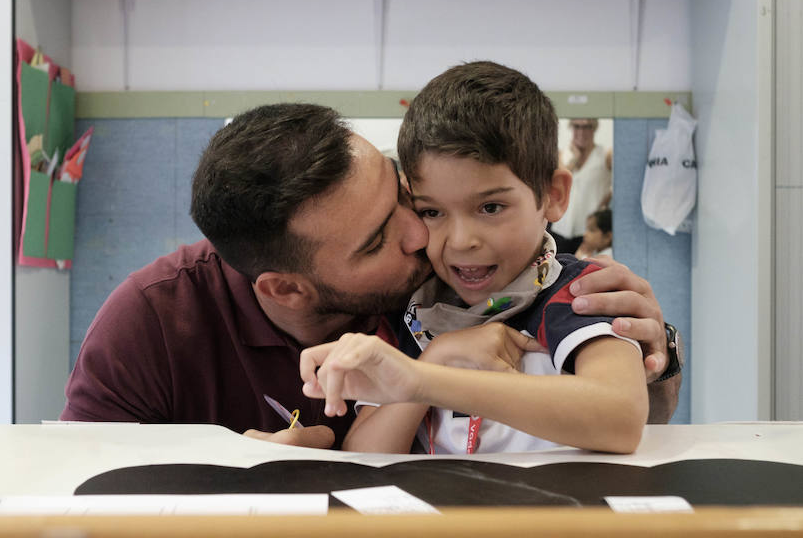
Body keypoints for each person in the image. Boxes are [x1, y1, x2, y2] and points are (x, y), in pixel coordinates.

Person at [61, 102, 680, 449]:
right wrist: (228, 476)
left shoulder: (447, 278)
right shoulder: (154, 319)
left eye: (404, 197)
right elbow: (76, 495)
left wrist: (658, 355)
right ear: (286, 288)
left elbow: (630, 420)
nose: (427, 237)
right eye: (379, 239)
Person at [299, 62, 648, 454]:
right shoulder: (416, 311)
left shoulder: (578, 292)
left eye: (491, 207)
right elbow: (365, 454)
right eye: (431, 212)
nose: (461, 241)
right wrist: (433, 360)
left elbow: (621, 417)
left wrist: (422, 379)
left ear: (553, 195)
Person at [549, 118, 611, 254]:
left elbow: (624, 180)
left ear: (594, 129)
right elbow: (556, 182)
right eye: (577, 127)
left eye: (587, 127)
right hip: (561, 228)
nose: (581, 132)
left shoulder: (604, 155)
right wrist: (574, 159)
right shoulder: (562, 155)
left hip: (588, 233)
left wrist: (607, 199)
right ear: (572, 128)